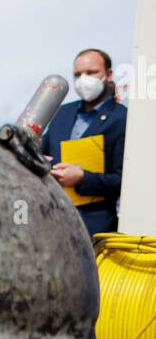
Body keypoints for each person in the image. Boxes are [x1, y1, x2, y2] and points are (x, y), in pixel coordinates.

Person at [43, 49, 127, 240]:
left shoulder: (121, 118)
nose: (83, 80)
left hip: (95, 228)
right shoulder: (62, 113)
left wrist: (82, 178)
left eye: (91, 73)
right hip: (53, 218)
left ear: (109, 75)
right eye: (78, 74)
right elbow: (41, 153)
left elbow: (122, 180)